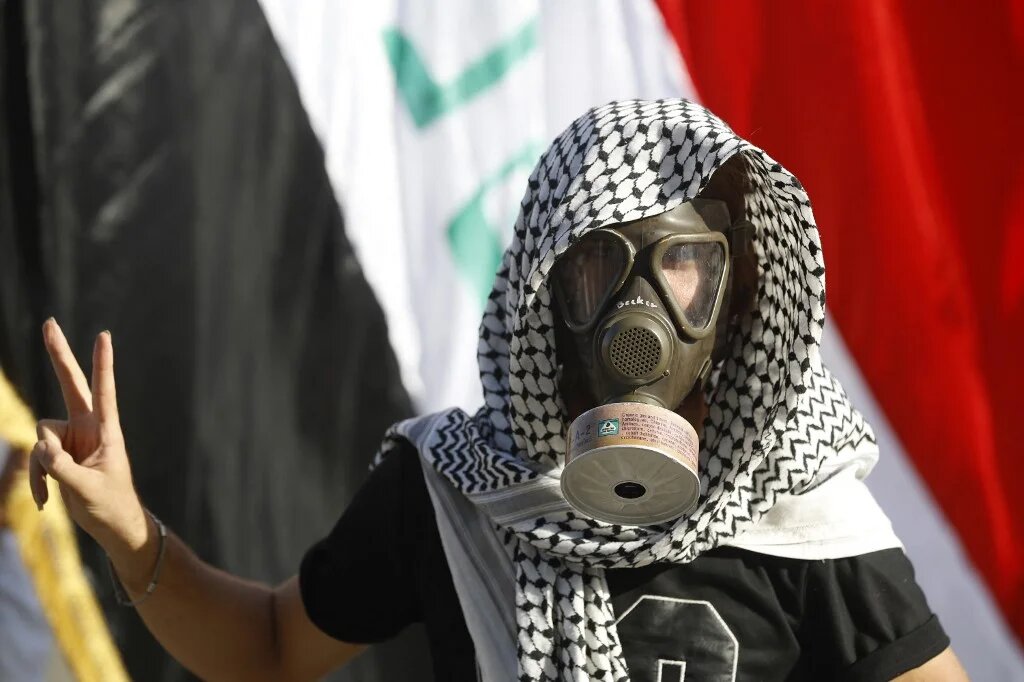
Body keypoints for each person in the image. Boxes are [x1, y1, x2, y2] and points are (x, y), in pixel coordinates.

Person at [28, 99, 969, 681]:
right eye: (602, 265)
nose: (641, 314)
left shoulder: (802, 510)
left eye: (683, 264)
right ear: (547, 291)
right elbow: (268, 649)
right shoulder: (452, 492)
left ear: (735, 293)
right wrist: (126, 529)